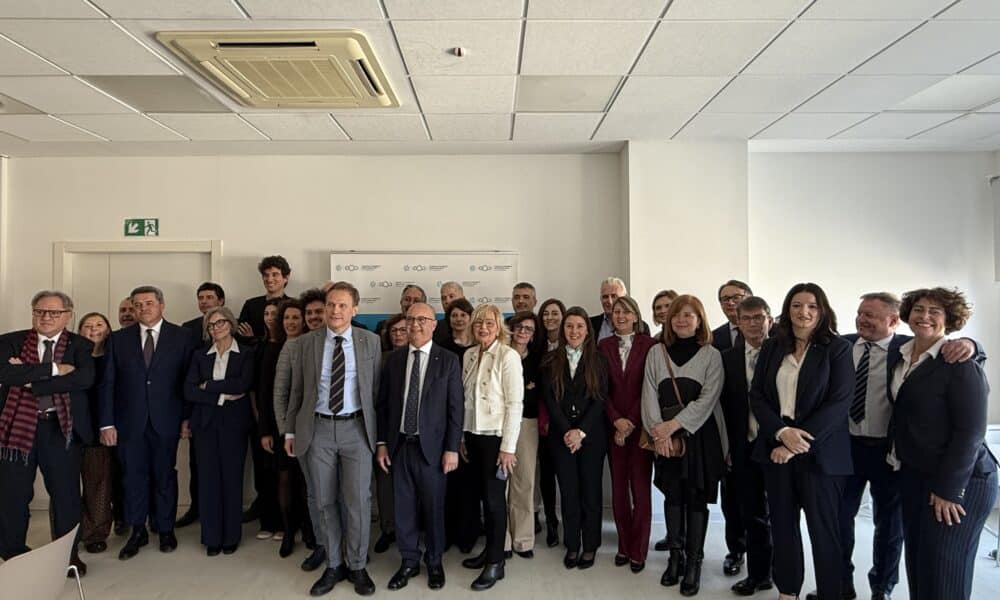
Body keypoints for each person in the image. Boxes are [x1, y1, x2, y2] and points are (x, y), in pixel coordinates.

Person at [813, 293, 980, 600]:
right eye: (860, 313)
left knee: (890, 525)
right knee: (838, 519)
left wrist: (972, 345)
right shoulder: (841, 346)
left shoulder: (904, 349)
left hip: (890, 452)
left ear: (892, 320)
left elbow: (957, 352)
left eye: (871, 316)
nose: (862, 320)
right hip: (845, 449)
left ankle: (882, 587)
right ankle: (840, 583)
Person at [749, 283, 853, 600]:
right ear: (787, 309)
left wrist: (794, 443)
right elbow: (757, 396)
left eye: (811, 305)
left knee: (824, 532)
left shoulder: (837, 348)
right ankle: (788, 590)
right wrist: (781, 433)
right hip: (776, 448)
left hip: (820, 454)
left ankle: (831, 592)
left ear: (822, 310)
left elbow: (838, 403)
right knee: (782, 526)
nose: (803, 312)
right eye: (796, 305)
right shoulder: (772, 347)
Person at [891, 287, 996, 600]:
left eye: (934, 312)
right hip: (914, 476)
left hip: (960, 482)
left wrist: (949, 490)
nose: (924, 316)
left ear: (949, 320)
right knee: (919, 566)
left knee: (945, 573)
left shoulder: (960, 363)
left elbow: (971, 432)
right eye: (919, 309)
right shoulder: (899, 353)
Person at [284, 282, 381, 597]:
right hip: (318, 430)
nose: (335, 311)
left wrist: (379, 439)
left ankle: (356, 564)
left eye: (342, 305)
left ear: (354, 309)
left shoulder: (371, 342)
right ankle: (334, 563)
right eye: (330, 305)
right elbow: (296, 392)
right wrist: (290, 431)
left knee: (357, 501)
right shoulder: (305, 344)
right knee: (324, 499)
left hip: (357, 430)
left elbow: (376, 393)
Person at [0, 291, 95, 576]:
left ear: (68, 315)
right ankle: (13, 552)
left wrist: (31, 380)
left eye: (54, 313)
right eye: (40, 311)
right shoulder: (9, 341)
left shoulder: (81, 345)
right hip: (16, 430)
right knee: (12, 495)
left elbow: (84, 379)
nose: (46, 317)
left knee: (66, 496)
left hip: (60, 431)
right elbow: (5, 374)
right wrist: (55, 369)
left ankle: (68, 556)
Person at [99, 285, 197, 560]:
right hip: (129, 423)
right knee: (133, 478)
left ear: (161, 305)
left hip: (167, 420)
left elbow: (187, 381)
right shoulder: (118, 340)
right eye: (137, 305)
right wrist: (107, 423)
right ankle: (137, 530)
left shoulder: (182, 336)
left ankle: (166, 529)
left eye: (148, 303)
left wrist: (186, 417)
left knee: (165, 475)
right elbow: (108, 383)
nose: (143, 308)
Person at [642, 294, 727, 596]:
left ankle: (694, 562)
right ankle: (675, 558)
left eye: (689, 315)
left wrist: (672, 427)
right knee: (672, 496)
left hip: (699, 438)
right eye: (677, 315)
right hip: (664, 439)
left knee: (695, 498)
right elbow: (649, 395)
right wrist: (659, 435)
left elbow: (708, 400)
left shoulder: (711, 355)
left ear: (700, 320)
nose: (681, 320)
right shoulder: (657, 352)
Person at [376, 302, 464, 591]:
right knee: (403, 510)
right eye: (410, 319)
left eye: (422, 319)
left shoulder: (448, 360)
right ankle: (409, 561)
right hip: (400, 447)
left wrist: (452, 448)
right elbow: (385, 406)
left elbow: (455, 409)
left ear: (434, 324)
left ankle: (434, 562)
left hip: (434, 450)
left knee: (433, 508)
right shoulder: (395, 360)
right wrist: (383, 443)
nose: (415, 324)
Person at [460, 303, 523, 591]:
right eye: (478, 323)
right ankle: (489, 551)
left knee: (496, 501)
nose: (483, 328)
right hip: (472, 435)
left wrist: (508, 448)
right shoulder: (470, 355)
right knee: (483, 498)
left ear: (499, 327)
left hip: (497, 440)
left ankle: (496, 563)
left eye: (489, 323)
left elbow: (514, 404)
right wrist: (461, 437)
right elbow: (465, 400)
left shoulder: (508, 356)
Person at [184, 307, 256, 555]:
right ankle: (212, 537)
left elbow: (243, 384)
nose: (216, 328)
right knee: (208, 481)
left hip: (235, 425)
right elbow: (189, 390)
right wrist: (221, 396)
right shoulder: (199, 355)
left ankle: (231, 537)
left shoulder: (245, 353)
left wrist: (208, 386)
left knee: (232, 479)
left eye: (221, 322)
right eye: (211, 325)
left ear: (231, 323)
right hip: (205, 423)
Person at [542, 306, 608, 571]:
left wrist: (580, 431)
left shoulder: (600, 360)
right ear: (563, 329)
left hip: (591, 437)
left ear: (587, 331)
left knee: (591, 492)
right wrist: (567, 431)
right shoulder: (549, 360)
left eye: (580, 326)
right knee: (568, 492)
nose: (574, 331)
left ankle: (590, 545)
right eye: (569, 326)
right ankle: (572, 544)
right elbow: (550, 400)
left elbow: (600, 399)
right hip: (561, 437)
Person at [719, 297, 775, 596]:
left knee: (781, 513)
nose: (754, 323)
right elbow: (723, 408)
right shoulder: (726, 357)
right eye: (747, 318)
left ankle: (784, 570)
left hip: (778, 447)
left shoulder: (784, 353)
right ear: (737, 322)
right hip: (742, 447)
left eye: (759, 317)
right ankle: (759, 575)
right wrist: (727, 447)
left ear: (770, 319)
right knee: (751, 512)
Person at [598, 296, 655, 573]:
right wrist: (616, 420)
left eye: (626, 311)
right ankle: (623, 545)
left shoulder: (651, 345)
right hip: (613, 428)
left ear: (636, 316)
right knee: (619, 492)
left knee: (641, 491)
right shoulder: (602, 346)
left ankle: (639, 550)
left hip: (641, 427)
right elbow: (600, 389)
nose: (620, 315)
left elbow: (650, 387)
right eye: (616, 311)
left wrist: (630, 421)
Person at [274, 300, 329, 573]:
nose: (315, 317)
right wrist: (287, 430)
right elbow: (283, 392)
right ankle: (319, 543)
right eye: (310, 313)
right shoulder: (295, 345)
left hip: (338, 431)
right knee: (314, 492)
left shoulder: (342, 342)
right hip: (303, 432)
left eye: (320, 311)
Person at [713, 279, 753, 578]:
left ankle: (767, 552)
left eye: (737, 297)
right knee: (732, 497)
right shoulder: (715, 338)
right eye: (725, 299)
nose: (731, 303)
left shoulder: (773, 335)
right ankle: (736, 549)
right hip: (729, 428)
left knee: (764, 499)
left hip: (765, 430)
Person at [177, 281, 226, 529]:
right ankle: (197, 508)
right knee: (198, 465)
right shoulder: (187, 330)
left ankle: (223, 511)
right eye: (201, 297)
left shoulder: (231, 327)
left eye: (209, 297)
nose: (204, 302)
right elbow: (185, 374)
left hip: (229, 411)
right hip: (197, 406)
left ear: (221, 301)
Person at [439, 297, 482, 554]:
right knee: (448, 484)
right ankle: (448, 532)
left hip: (474, 423)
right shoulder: (442, 348)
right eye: (453, 315)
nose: (458, 319)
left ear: (470, 318)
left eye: (463, 315)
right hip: (446, 423)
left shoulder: (479, 348)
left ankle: (468, 534)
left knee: (471, 484)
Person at [505, 311, 541, 559]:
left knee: (525, 482)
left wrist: (527, 391)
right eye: (518, 327)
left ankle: (523, 540)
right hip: (499, 425)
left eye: (528, 329)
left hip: (527, 424)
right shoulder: (500, 355)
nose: (522, 332)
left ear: (532, 335)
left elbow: (536, 396)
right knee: (501, 484)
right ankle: (504, 540)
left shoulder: (538, 360)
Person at [78, 312, 114, 556]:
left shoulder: (114, 357)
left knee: (98, 482)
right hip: (69, 427)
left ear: (108, 329)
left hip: (99, 428)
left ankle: (95, 534)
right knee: (65, 487)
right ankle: (65, 534)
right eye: (88, 326)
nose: (94, 329)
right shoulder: (70, 356)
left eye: (99, 324)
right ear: (79, 331)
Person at [373, 313, 407, 555]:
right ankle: (388, 529)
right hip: (385, 430)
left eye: (402, 330)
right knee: (385, 484)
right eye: (394, 331)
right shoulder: (380, 359)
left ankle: (412, 529)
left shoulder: (422, 357)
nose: (398, 334)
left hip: (412, 433)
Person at [535, 297, 566, 547]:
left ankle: (570, 521)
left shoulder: (573, 344)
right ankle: (552, 524)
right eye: (545, 314)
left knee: (567, 477)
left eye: (555, 313)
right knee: (546, 476)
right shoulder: (537, 346)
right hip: (544, 422)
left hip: (568, 422)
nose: (550, 318)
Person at [238, 255, 292, 340]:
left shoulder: (293, 305)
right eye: (266, 275)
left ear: (286, 277)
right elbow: (241, 336)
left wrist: (253, 338)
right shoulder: (251, 305)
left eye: (275, 275)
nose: (269, 279)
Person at [590, 277, 649, 341]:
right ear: (601, 299)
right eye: (605, 297)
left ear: (625, 297)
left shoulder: (642, 326)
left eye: (614, 296)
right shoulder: (590, 324)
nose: (610, 301)